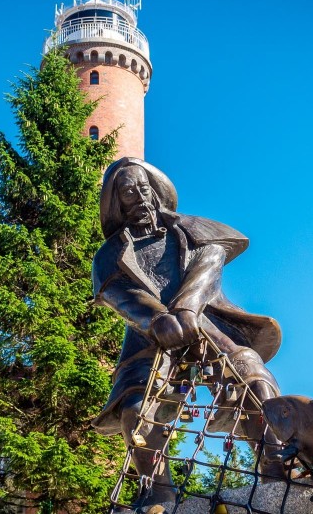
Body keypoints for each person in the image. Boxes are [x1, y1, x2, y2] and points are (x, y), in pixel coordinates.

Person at [92, 157, 284, 508]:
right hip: (150, 343)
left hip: (205, 326)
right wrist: (155, 320)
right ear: (117, 202)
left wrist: (187, 307)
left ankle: (276, 465)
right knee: (135, 408)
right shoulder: (110, 255)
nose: (139, 198)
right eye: (128, 192)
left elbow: (210, 262)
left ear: (155, 191)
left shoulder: (192, 231)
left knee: (253, 379)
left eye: (143, 188)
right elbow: (116, 294)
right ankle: (157, 490)